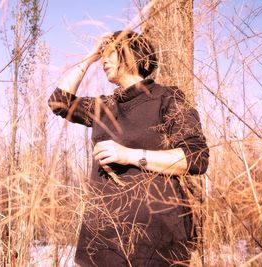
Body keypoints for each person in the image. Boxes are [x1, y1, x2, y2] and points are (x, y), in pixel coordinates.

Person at [48, 30, 209, 266]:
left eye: (110, 52)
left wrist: (129, 155)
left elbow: (196, 158)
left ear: (134, 54)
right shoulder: (103, 106)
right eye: (102, 55)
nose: (104, 60)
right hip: (101, 241)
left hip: (157, 239)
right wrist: (91, 56)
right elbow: (58, 101)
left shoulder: (168, 98)